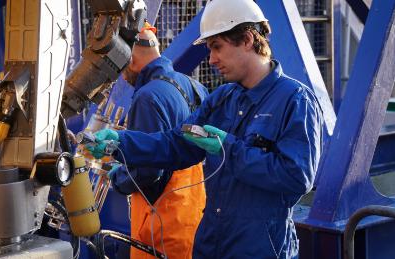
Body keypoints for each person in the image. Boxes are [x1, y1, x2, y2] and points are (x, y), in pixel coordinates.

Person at [88, 0, 324, 258]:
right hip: (210, 245)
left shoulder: (295, 100)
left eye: (217, 47)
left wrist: (228, 149)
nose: (211, 59)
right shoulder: (223, 98)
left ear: (246, 39)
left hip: (260, 249)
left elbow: (297, 177)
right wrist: (120, 143)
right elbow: (176, 144)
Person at [106, 23, 208, 259]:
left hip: (159, 228)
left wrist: (119, 179)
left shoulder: (147, 97)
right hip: (192, 218)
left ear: (129, 58)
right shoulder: (193, 86)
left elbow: (148, 171)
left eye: (122, 68)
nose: (124, 75)